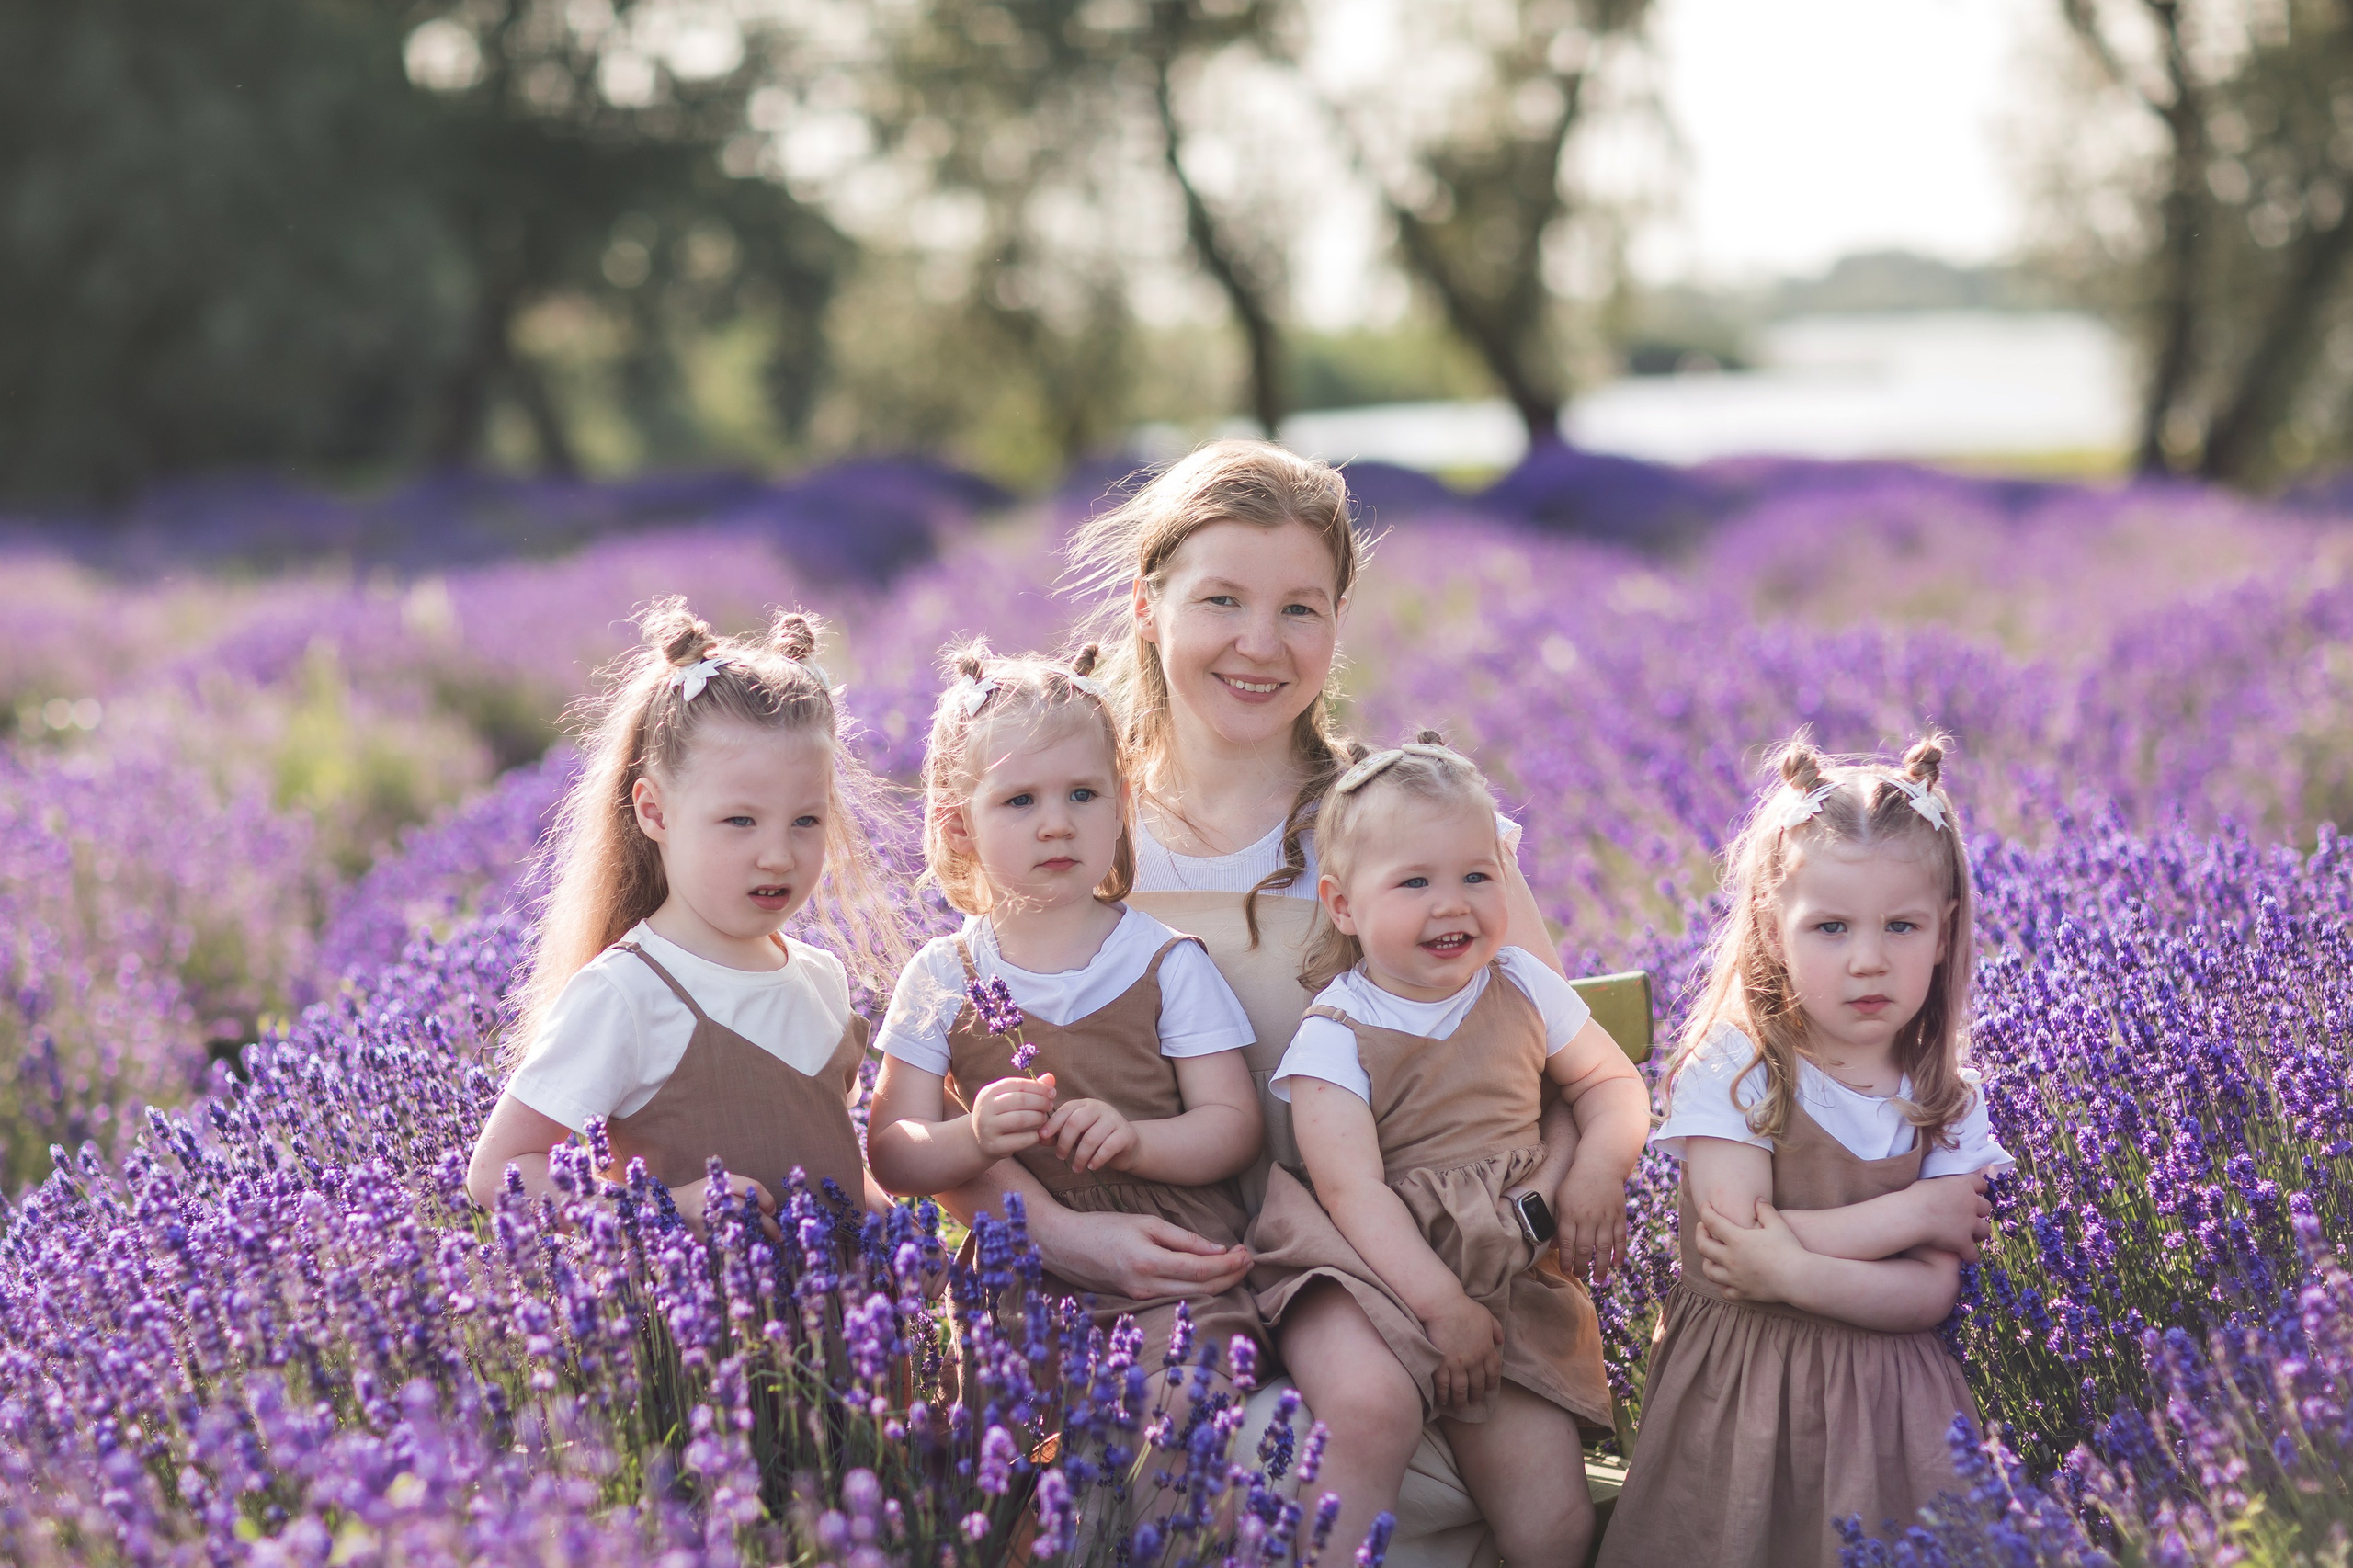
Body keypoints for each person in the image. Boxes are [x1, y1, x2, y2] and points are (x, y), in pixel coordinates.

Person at [943, 438, 1592, 1568]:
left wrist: (1530, 1215)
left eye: (1301, 607)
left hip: (1397, 1283)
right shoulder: (1070, 827)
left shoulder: (1403, 833)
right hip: (1137, 1297)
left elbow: (1546, 1057)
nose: (1260, 642)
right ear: (1148, 608)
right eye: (1222, 601)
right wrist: (1070, 1234)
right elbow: (957, 1110)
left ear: (1339, 624)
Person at [1598, 735, 2011, 1568]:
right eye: (1830, 927)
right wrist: (1910, 1212)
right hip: (1743, 1402)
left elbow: (1930, 1292)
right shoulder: (1737, 1067)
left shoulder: (1947, 1097)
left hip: (1897, 1420)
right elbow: (1730, 1247)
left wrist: (1789, 1263)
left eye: (1902, 925)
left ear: (1944, 935)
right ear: (1770, 929)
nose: (1869, 958)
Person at [1250, 734, 1650, 1568]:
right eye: (1415, 882)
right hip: (1391, 1283)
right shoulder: (1335, 1037)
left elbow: (1612, 1087)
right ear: (1343, 905)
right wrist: (1442, 1309)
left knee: (1554, 1527)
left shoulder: (1522, 985)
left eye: (1476, 875)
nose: (1453, 905)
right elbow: (1354, 1194)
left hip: (1506, 1282)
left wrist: (1597, 1172)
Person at [866, 641, 1267, 1385]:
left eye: (1083, 795)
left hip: (1170, 1259)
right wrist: (973, 1137)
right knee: (1003, 1449)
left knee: (1175, 1407)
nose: (1057, 824)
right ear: (960, 828)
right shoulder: (940, 977)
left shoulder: (1166, 961)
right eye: (1020, 801)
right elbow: (892, 1149)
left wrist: (1136, 1142)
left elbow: (1233, 1127)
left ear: (1121, 803)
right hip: (1018, 1280)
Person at [465, 599, 904, 1229]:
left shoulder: (820, 979)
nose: (778, 855)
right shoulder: (626, 993)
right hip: (701, 1323)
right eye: (739, 821)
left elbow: (828, 1162)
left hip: (847, 1321)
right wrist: (662, 1212)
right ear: (655, 812)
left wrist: (886, 1223)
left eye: (806, 820)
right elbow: (501, 1172)